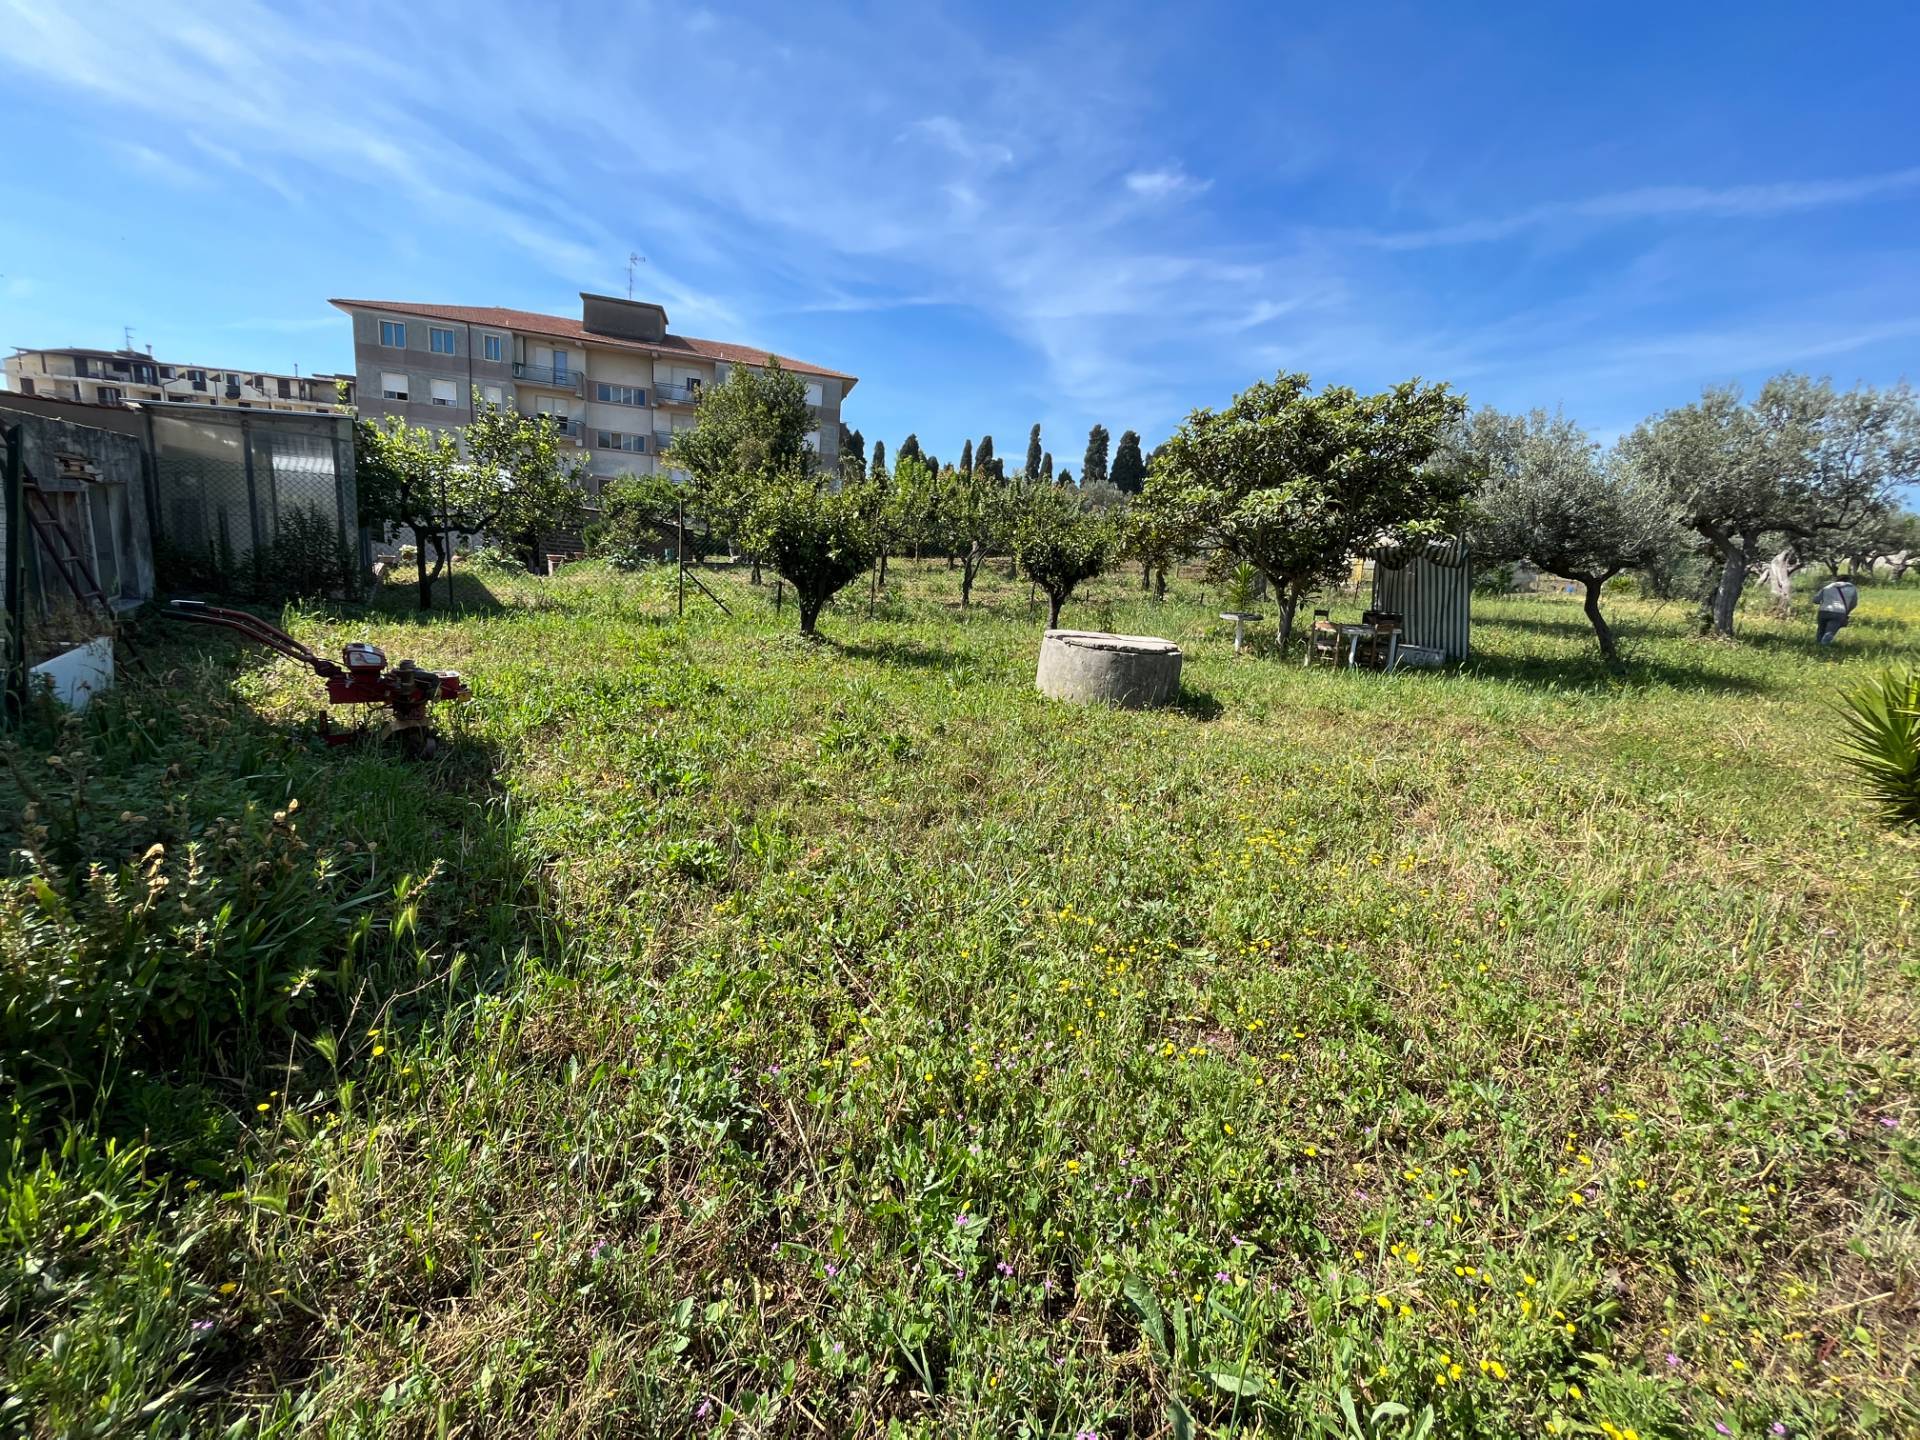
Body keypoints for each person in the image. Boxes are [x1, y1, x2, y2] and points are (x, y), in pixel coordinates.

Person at [1814, 576, 1859, 645]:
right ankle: (1823, 648)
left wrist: (1826, 601)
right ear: (1849, 581)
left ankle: (1817, 647)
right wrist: (1847, 612)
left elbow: (1816, 600)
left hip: (1823, 611)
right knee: (1829, 632)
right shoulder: (1852, 589)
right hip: (1839, 613)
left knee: (1820, 631)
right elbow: (1854, 603)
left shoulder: (1828, 587)